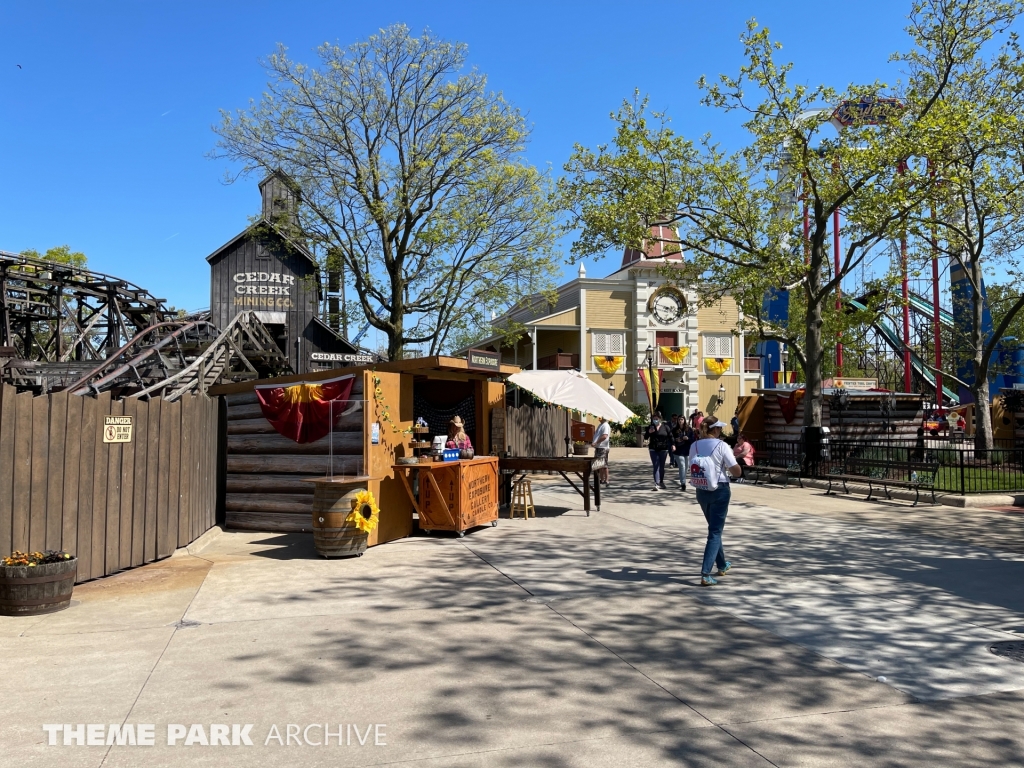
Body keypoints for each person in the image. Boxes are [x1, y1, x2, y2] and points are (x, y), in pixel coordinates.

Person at [688, 419, 743, 586]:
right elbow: (735, 470)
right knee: (714, 532)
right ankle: (705, 573)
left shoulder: (695, 445)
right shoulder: (721, 446)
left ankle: (722, 564)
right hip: (720, 489)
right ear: (717, 429)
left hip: (701, 489)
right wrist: (737, 470)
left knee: (714, 528)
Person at [647, 411, 673, 490]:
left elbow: (671, 436)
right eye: (654, 419)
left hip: (663, 449)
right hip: (653, 449)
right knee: (656, 466)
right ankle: (656, 483)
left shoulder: (665, 427)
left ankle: (661, 481)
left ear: (660, 419)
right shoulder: (651, 427)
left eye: (657, 419)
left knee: (662, 466)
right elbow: (645, 437)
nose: (655, 420)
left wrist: (673, 444)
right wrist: (649, 432)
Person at [592, 416, 611, 485]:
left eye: (600, 417)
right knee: (598, 464)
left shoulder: (605, 425)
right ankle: (601, 479)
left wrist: (596, 442)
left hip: (603, 447)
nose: (598, 418)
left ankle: (606, 480)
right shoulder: (600, 425)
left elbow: (604, 436)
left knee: (604, 464)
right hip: (598, 447)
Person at [676, 423, 695, 491]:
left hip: (687, 451)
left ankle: (682, 479)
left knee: (686, 467)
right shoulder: (675, 429)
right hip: (678, 451)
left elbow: (693, 440)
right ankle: (683, 483)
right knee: (682, 466)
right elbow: (671, 438)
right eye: (679, 419)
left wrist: (688, 438)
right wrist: (678, 439)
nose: (680, 421)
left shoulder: (689, 430)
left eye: (682, 419)